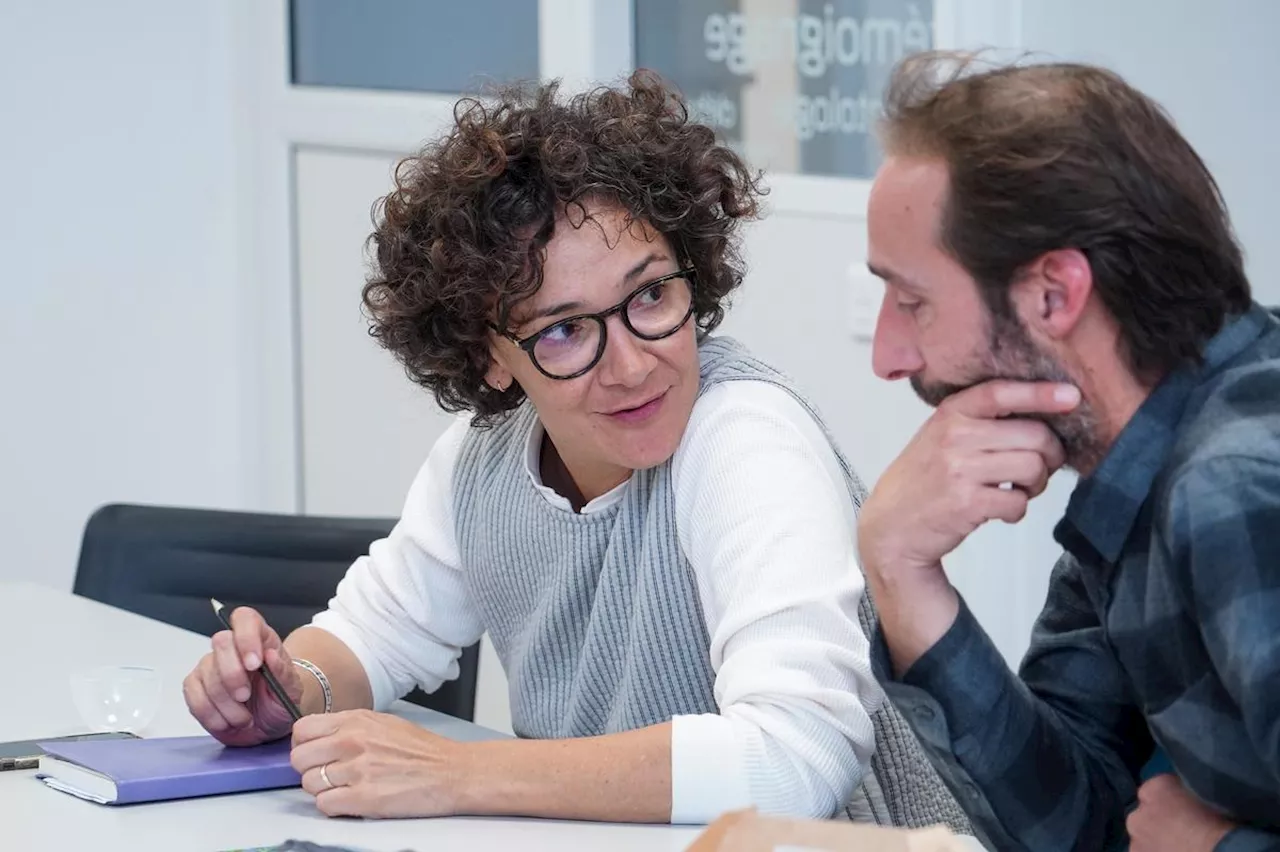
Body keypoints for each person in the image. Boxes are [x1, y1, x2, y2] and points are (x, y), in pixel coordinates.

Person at [181, 71, 967, 829]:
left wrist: (460, 773)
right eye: (563, 330)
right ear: (490, 354)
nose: (631, 365)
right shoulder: (482, 461)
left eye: (651, 295)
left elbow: (797, 759)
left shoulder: (745, 437)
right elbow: (370, 637)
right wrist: (293, 689)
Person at [858, 50, 1280, 852]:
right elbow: (1072, 826)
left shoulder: (1238, 483)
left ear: (1055, 294)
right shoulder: (1131, 477)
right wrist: (900, 574)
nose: (888, 356)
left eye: (912, 301)